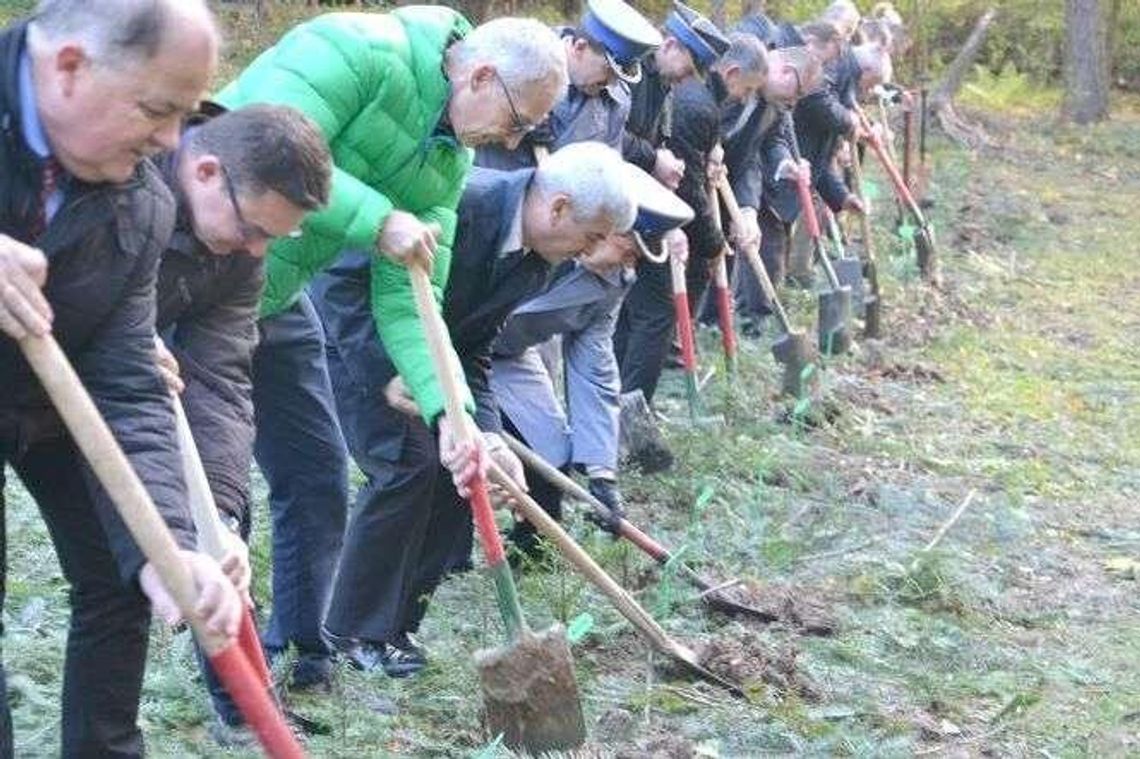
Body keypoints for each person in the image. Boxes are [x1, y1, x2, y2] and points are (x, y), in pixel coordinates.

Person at [214, 7, 569, 689]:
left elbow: (411, 298)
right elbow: (256, 142)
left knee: (317, 480)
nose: (513, 139)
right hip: (194, 278)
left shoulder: (448, 159)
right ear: (483, 76)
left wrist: (453, 416)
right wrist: (378, 220)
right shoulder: (356, 50)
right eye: (519, 119)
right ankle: (228, 684)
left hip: (277, 295)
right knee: (217, 488)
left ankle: (307, 657)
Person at [0, 2, 243, 756]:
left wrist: (167, 545)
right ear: (69, 68)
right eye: (158, 109)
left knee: (120, 569)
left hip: (42, 402)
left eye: (188, 114)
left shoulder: (142, 201)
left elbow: (128, 379)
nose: (172, 140)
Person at [310, 142, 638, 677]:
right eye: (594, 235)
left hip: (434, 361)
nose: (590, 252)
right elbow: (343, 277)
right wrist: (381, 370)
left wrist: (486, 432)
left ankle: (397, 626)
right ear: (557, 208)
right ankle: (349, 632)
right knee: (407, 466)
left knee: (464, 470)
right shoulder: (464, 202)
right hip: (356, 340)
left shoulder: (542, 259)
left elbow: (475, 345)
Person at [152, 103, 333, 742]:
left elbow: (223, 378)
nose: (258, 250)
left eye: (273, 238)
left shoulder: (241, 252)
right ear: (205, 173)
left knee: (213, 530)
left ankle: (242, 708)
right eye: (254, 226)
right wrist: (114, 336)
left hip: (129, 375)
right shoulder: (125, 180)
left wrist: (220, 520)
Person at [491, 168, 694, 555]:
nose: (628, 265)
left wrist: (603, 474)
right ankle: (446, 560)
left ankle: (532, 549)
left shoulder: (609, 284)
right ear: (609, 228)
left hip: (507, 354)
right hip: (447, 344)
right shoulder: (532, 237)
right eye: (628, 250)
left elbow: (593, 366)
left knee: (551, 454)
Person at [614, 0, 729, 405]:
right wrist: (654, 160)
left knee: (628, 313)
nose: (689, 75)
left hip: (644, 206)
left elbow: (661, 144)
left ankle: (619, 408)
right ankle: (630, 408)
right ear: (670, 45)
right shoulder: (632, 75)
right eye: (688, 60)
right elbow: (611, 134)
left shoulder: (665, 84)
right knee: (653, 314)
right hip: (618, 202)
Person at [476, 0, 660, 170]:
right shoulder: (522, 52)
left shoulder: (616, 102)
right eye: (608, 71)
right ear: (580, 47)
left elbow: (604, 170)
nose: (610, 83)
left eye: (618, 77)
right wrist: (517, 121)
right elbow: (468, 107)